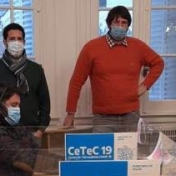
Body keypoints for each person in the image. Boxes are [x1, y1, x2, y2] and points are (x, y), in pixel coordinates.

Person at [63, 5, 164, 133]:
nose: (120, 26)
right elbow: (76, 81)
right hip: (103, 119)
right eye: (116, 22)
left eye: (124, 23)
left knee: (130, 153)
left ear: (128, 26)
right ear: (109, 24)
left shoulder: (137, 46)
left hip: (131, 117)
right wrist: (70, 112)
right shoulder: (91, 48)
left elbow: (158, 63)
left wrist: (144, 86)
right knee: (103, 153)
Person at [0, 22, 51, 140]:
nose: (16, 42)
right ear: (4, 42)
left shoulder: (36, 69)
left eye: (19, 39)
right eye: (12, 39)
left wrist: (40, 130)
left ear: (24, 42)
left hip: (31, 132)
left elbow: (45, 102)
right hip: (2, 134)